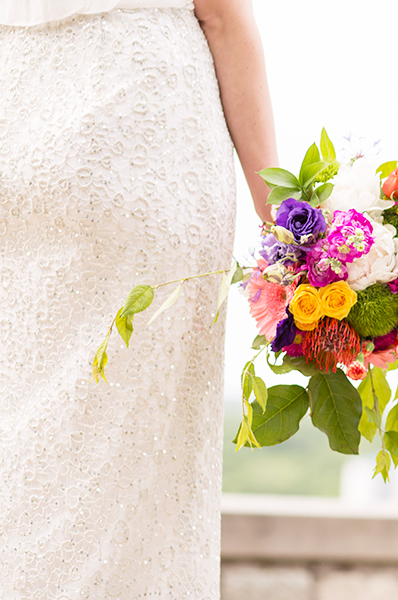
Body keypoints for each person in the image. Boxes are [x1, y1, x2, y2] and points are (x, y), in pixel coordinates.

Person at [0, 0, 276, 597]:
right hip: (133, 122)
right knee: (130, 488)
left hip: (12, 112)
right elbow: (224, 17)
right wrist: (289, 227)